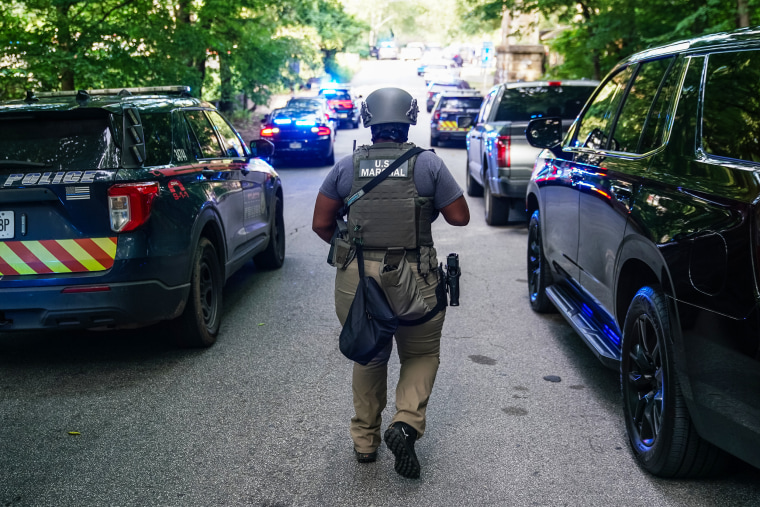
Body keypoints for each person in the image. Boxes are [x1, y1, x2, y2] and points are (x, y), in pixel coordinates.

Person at [312, 87, 469, 479]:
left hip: (358, 279)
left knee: (370, 353)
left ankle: (365, 442)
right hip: (415, 278)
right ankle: (405, 423)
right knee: (420, 354)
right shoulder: (427, 165)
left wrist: (349, 245)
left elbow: (320, 223)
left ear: (368, 121)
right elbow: (460, 217)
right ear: (409, 120)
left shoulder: (347, 166)